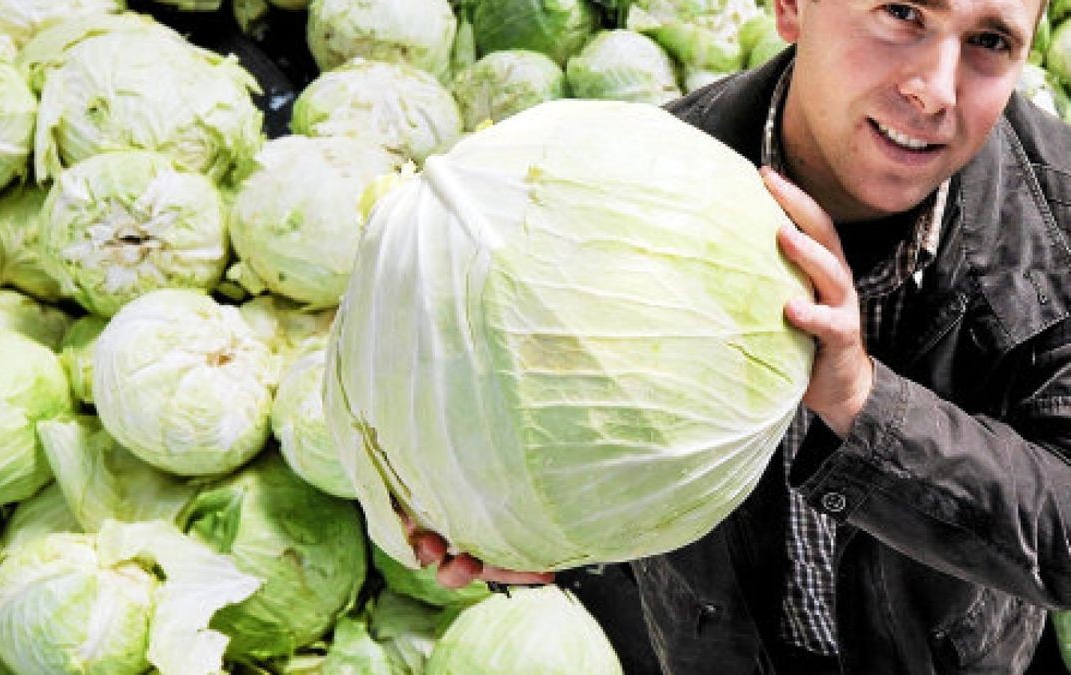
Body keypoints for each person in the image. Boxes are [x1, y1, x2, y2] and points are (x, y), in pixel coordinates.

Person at [409, 0, 1071, 671]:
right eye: (901, 12)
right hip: (712, 644)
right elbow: (557, 400)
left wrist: (863, 404)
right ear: (790, 8)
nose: (933, 90)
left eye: (990, 40)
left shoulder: (1059, 217)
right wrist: (485, 497)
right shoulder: (621, 190)